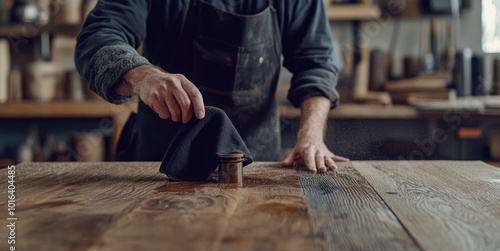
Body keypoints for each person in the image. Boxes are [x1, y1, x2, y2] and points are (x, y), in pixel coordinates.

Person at [75, 0, 349, 172]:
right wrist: (144, 76)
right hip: (156, 172)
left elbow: (316, 63)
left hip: (256, 171)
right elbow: (97, 38)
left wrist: (311, 135)